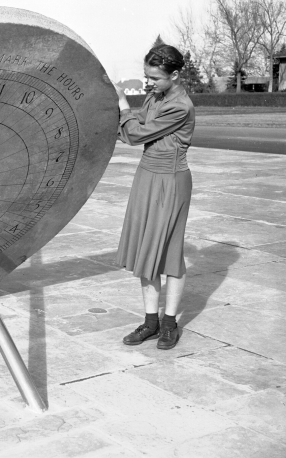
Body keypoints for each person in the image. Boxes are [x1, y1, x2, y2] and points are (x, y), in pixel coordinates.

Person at [114, 44, 195, 350]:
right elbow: (138, 130)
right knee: (145, 252)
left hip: (171, 182)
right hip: (146, 177)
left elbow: (135, 134)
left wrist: (123, 105)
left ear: (174, 75)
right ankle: (151, 322)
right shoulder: (155, 95)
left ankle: (170, 325)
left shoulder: (180, 106)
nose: (148, 83)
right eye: (146, 76)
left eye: (155, 78)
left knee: (170, 255)